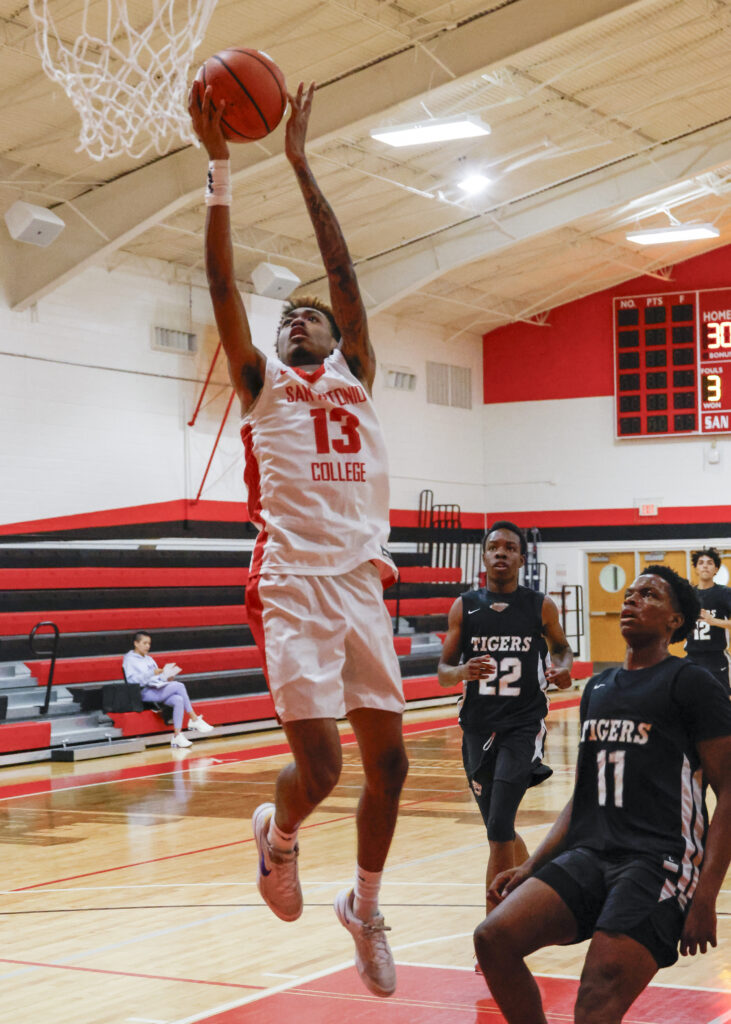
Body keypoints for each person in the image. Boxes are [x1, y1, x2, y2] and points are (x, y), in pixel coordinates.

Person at [188, 81, 408, 998]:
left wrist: (303, 164)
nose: (297, 318)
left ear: (337, 331)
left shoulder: (355, 371)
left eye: (309, 313)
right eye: (291, 318)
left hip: (358, 579)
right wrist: (221, 169)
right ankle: (276, 841)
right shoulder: (260, 381)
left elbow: (346, 275)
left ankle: (362, 906)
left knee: (389, 764)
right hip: (288, 581)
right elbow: (222, 283)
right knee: (319, 768)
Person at [474, 565, 731, 1024]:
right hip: (591, 854)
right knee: (493, 938)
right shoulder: (598, 688)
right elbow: (583, 796)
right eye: (629, 594)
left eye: (649, 595)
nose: (632, 601)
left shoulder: (691, 683)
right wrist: (532, 866)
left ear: (675, 621)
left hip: (659, 862)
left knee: (594, 1001)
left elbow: (729, 791)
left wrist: (707, 895)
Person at [438, 521, 573, 913]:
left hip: (522, 726)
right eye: (494, 547)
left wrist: (562, 669)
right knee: (499, 829)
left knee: (498, 831)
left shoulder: (539, 605)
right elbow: (444, 670)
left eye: (509, 548)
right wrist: (464, 672)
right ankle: (538, 878)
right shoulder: (465, 606)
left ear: (521, 558)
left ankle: (494, 932)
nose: (501, 553)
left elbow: (562, 649)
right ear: (484, 556)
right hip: (477, 729)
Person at [122, 632, 213, 748]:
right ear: (136, 643)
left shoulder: (149, 659)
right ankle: (194, 719)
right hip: (142, 692)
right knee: (179, 686)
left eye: (149, 643)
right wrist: (151, 673)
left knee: (178, 700)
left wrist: (166, 676)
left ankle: (177, 736)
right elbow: (132, 681)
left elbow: (156, 678)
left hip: (156, 688)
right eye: (144, 643)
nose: (147, 646)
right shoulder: (129, 660)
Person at [685, 547, 731, 693]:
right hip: (691, 657)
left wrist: (714, 621)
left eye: (710, 563)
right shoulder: (688, 595)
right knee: (689, 701)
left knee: (723, 702)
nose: (705, 565)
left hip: (716, 657)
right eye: (701, 562)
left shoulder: (724, 593)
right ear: (696, 568)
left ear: (716, 569)